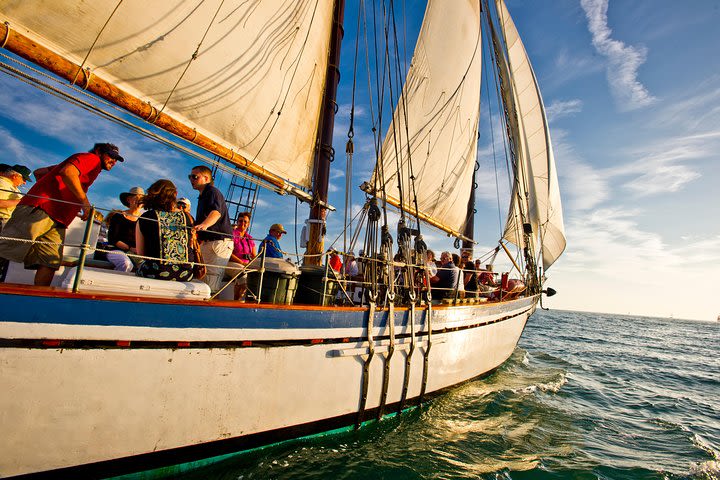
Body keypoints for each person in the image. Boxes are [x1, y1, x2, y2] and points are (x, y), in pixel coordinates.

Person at [0, 143, 122, 286]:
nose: (113, 161)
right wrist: (84, 203)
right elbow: (68, 172)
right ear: (99, 151)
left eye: (116, 159)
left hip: (56, 217)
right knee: (6, 248)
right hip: (41, 210)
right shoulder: (91, 158)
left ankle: (39, 298)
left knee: (49, 261)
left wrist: (57, 194)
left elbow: (39, 172)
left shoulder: (82, 163)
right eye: (111, 156)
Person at [135, 179, 195, 281]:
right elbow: (191, 245)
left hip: (155, 272)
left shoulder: (145, 217)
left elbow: (140, 252)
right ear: (175, 194)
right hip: (185, 274)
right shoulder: (188, 217)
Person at [189, 165, 233, 292]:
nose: (191, 179)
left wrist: (205, 225)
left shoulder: (212, 192)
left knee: (210, 281)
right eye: (190, 177)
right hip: (210, 242)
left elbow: (216, 212)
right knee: (203, 277)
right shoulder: (203, 196)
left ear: (206, 178)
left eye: (194, 177)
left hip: (218, 242)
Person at [0, 164, 33, 280]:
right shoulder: (2, 183)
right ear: (14, 175)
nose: (24, 183)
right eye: (23, 179)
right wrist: (21, 201)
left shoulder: (12, 188)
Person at [105, 187, 144, 272]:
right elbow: (113, 239)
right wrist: (130, 248)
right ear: (129, 200)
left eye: (141, 199)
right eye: (136, 197)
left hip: (136, 254)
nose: (139, 201)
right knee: (125, 264)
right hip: (116, 250)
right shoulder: (118, 216)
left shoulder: (144, 220)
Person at [227, 211, 256, 301]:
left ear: (248, 224)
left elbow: (254, 255)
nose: (242, 223)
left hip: (246, 265)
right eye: (240, 221)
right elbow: (228, 253)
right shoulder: (232, 234)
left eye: (245, 221)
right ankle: (236, 301)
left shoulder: (249, 238)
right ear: (237, 221)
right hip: (231, 263)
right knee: (243, 275)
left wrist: (254, 265)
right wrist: (242, 263)